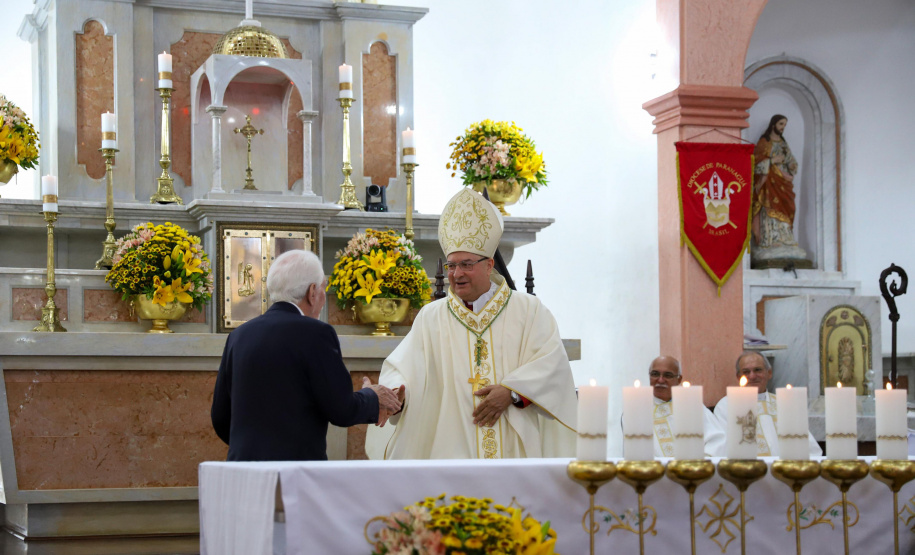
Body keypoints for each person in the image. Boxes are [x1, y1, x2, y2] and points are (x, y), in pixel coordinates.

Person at [368, 188, 578, 459]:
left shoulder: (528, 310)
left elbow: (551, 364)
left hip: (512, 449)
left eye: (466, 264)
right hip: (450, 449)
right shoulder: (432, 317)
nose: (456, 274)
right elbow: (404, 369)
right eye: (452, 265)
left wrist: (513, 392)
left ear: (489, 265)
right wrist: (394, 393)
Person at [211, 249, 402, 461]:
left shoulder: (239, 336)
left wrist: (255, 449)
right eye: (322, 289)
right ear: (312, 292)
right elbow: (341, 409)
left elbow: (220, 417)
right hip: (295, 472)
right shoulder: (316, 333)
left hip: (243, 469)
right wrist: (372, 396)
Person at [705, 351, 822, 457]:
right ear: (738, 377)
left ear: (769, 373)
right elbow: (723, 448)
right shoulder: (727, 406)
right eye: (746, 372)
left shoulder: (784, 403)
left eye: (757, 370)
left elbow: (806, 445)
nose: (752, 376)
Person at [638, 356, 717, 457]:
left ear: (679, 379)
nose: (660, 380)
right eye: (655, 374)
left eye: (668, 375)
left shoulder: (693, 406)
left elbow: (716, 441)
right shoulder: (638, 410)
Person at [752, 114, 803, 251]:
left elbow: (790, 160)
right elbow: (754, 164)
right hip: (769, 182)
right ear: (773, 124)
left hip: (783, 182)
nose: (783, 128)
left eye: (784, 125)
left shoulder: (783, 143)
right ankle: (769, 239)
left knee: (785, 207)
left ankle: (785, 239)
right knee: (770, 207)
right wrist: (772, 161)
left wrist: (792, 166)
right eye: (781, 124)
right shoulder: (764, 142)